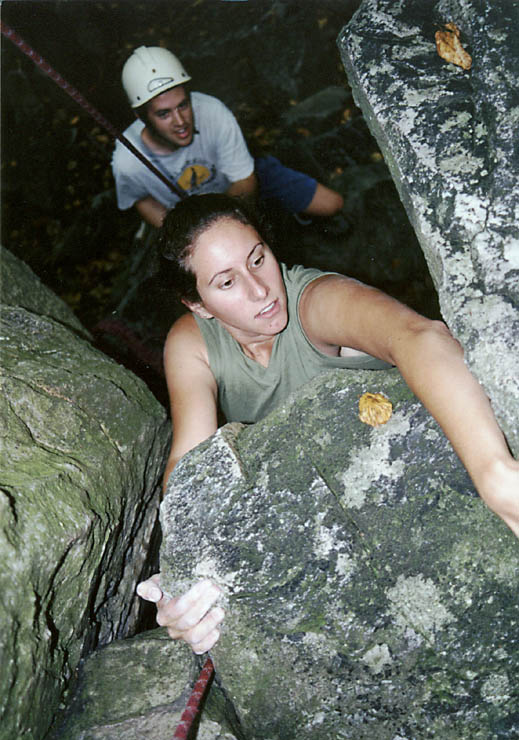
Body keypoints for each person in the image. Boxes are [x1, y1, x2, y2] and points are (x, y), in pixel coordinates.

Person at [137, 193, 519, 654]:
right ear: (199, 305)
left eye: (258, 258)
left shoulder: (313, 301)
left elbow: (419, 336)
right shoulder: (192, 342)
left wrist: (496, 476)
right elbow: (189, 461)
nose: (260, 289)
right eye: (226, 282)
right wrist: (181, 577)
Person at [111, 46, 344, 229]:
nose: (180, 121)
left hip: (239, 179)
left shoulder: (213, 111)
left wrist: (222, 221)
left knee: (333, 204)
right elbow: (140, 199)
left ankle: (282, 207)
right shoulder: (128, 160)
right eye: (164, 114)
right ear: (141, 117)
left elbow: (245, 180)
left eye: (183, 105)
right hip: (193, 214)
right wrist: (178, 230)